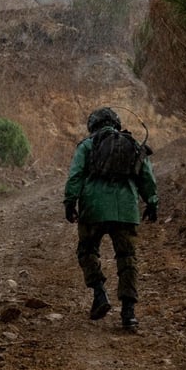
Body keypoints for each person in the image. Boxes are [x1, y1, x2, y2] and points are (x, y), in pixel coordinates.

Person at [63, 107, 159, 332]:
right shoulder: (133, 144)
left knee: (87, 251)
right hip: (126, 210)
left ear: (92, 125)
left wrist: (70, 202)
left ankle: (99, 293)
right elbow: (147, 177)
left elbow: (75, 175)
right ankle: (129, 314)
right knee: (127, 258)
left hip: (93, 209)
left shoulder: (87, 145)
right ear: (116, 123)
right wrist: (152, 203)